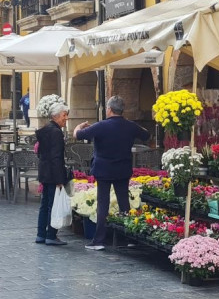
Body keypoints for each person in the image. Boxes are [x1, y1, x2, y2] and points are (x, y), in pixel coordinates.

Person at [73, 95, 150, 251]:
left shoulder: (101, 126)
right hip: (122, 168)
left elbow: (78, 135)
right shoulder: (129, 126)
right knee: (124, 203)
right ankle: (128, 238)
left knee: (103, 203)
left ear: (109, 109)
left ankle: (99, 240)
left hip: (103, 169)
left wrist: (78, 126)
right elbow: (146, 135)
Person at [35, 102, 69, 246]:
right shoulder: (56, 132)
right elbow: (56, 157)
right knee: (52, 205)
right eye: (64, 115)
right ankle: (51, 235)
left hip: (44, 172)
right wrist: (59, 179)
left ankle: (40, 235)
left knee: (44, 205)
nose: (66, 118)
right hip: (53, 173)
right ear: (56, 116)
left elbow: (41, 153)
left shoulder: (45, 129)